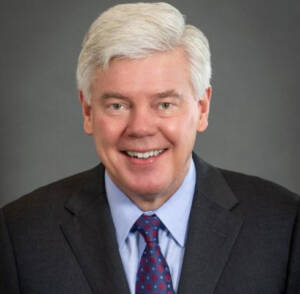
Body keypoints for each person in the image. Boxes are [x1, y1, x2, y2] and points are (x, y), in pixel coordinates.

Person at [0, 2, 299, 294]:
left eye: (165, 104)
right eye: (117, 105)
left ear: (202, 108)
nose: (141, 128)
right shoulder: (19, 236)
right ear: (88, 111)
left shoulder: (285, 226)